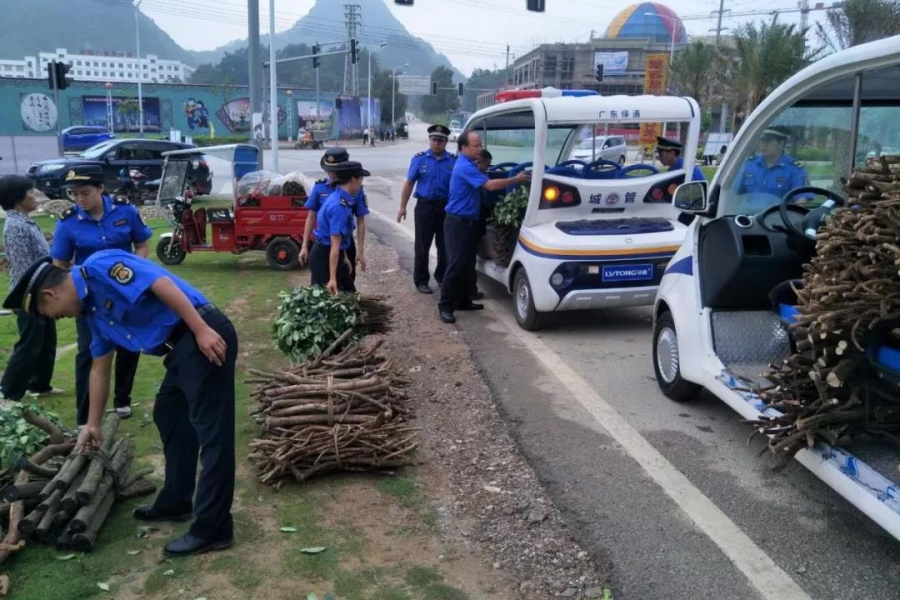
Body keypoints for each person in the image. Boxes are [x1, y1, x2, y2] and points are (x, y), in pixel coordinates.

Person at [4, 251, 237, 557]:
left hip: (200, 335)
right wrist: (92, 424)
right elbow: (99, 370)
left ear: (50, 293)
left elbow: (161, 283)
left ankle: (214, 527)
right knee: (169, 415)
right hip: (179, 351)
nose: (54, 318)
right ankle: (177, 500)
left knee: (213, 434)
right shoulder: (92, 316)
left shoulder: (99, 267)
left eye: (49, 312)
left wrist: (200, 329)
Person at [51, 165, 152, 423]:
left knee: (130, 345)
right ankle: (85, 415)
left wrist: (134, 273)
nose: (80, 199)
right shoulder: (68, 222)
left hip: (126, 294)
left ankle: (122, 400)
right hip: (89, 300)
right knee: (88, 352)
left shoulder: (125, 211)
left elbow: (142, 245)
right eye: (74, 194)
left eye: (85, 192)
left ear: (101, 189)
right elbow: (59, 265)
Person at [439, 132, 530, 324]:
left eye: (480, 145)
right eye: (476, 145)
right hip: (458, 223)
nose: (480, 149)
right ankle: (445, 306)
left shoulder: (470, 164)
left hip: (468, 223)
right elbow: (489, 185)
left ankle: (463, 300)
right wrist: (515, 179)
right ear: (464, 147)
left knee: (467, 264)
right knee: (455, 265)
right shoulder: (464, 166)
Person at [0, 176, 63, 401]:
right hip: (28, 296)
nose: (35, 195)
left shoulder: (26, 221)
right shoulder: (15, 227)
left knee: (47, 341)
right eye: (30, 192)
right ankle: (8, 391)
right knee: (29, 345)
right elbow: (23, 266)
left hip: (42, 292)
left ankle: (40, 385)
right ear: (16, 198)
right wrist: (37, 296)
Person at [397, 124, 457, 294]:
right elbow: (409, 183)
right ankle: (421, 280)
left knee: (445, 245)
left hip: (445, 208)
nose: (436, 143)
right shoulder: (420, 159)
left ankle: (442, 276)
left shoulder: (453, 161)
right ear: (429, 140)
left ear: (446, 142)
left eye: (440, 140)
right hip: (424, 207)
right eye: (433, 139)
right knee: (422, 245)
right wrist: (402, 207)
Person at [298, 148, 368, 282]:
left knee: (346, 282)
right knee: (324, 285)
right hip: (327, 242)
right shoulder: (320, 187)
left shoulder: (355, 188)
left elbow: (360, 220)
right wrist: (304, 245)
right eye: (328, 169)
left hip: (345, 242)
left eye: (334, 169)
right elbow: (311, 216)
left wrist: (360, 251)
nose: (331, 173)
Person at [307, 162, 370, 294]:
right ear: (353, 179)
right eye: (360, 180)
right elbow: (334, 246)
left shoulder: (340, 198)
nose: (361, 184)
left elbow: (340, 240)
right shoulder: (338, 207)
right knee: (328, 300)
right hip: (324, 256)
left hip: (331, 253)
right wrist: (332, 279)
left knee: (349, 294)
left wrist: (344, 257)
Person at [735, 126, 811, 213]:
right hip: (749, 219)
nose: (763, 144)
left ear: (781, 143)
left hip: (778, 220)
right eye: (762, 140)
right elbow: (735, 196)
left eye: (768, 141)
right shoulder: (749, 165)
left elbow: (801, 202)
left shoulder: (795, 170)